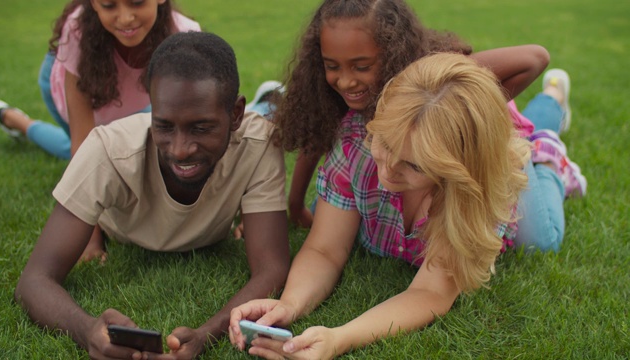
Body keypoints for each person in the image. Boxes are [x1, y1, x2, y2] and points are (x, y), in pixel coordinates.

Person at [228, 53, 531, 360]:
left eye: (414, 165)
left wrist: (339, 338)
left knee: (541, 237)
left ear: (457, 169)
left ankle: (547, 137)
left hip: (506, 169)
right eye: (384, 142)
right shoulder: (355, 147)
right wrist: (289, 304)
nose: (388, 171)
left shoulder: (472, 191)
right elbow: (325, 249)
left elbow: (431, 292)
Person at [14, 31, 290, 359]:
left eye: (201, 128)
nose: (180, 149)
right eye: (164, 126)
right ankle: (16, 123)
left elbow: (272, 267)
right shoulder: (107, 149)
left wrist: (207, 334)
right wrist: (87, 329)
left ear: (235, 114)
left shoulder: (259, 144)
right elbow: (34, 280)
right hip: (127, 232)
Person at [279, 0, 549, 231]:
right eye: (332, 66)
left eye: (361, 66)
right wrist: (296, 206)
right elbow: (316, 134)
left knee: (539, 240)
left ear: (394, 51)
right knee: (331, 209)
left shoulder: (429, 83)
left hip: (500, 137)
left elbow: (535, 58)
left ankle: (550, 145)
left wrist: (476, 110)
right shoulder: (332, 92)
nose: (346, 81)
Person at [0, 0, 200, 262]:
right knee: (87, 153)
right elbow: (83, 147)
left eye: (136, 2)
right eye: (109, 5)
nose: (125, 18)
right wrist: (90, 238)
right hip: (65, 84)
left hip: (127, 103)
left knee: (119, 151)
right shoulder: (78, 31)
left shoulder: (184, 38)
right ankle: (17, 121)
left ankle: (14, 120)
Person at [514, 67, 587, 251]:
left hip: (508, 148)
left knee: (540, 244)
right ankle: (552, 97)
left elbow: (537, 57)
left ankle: (547, 162)